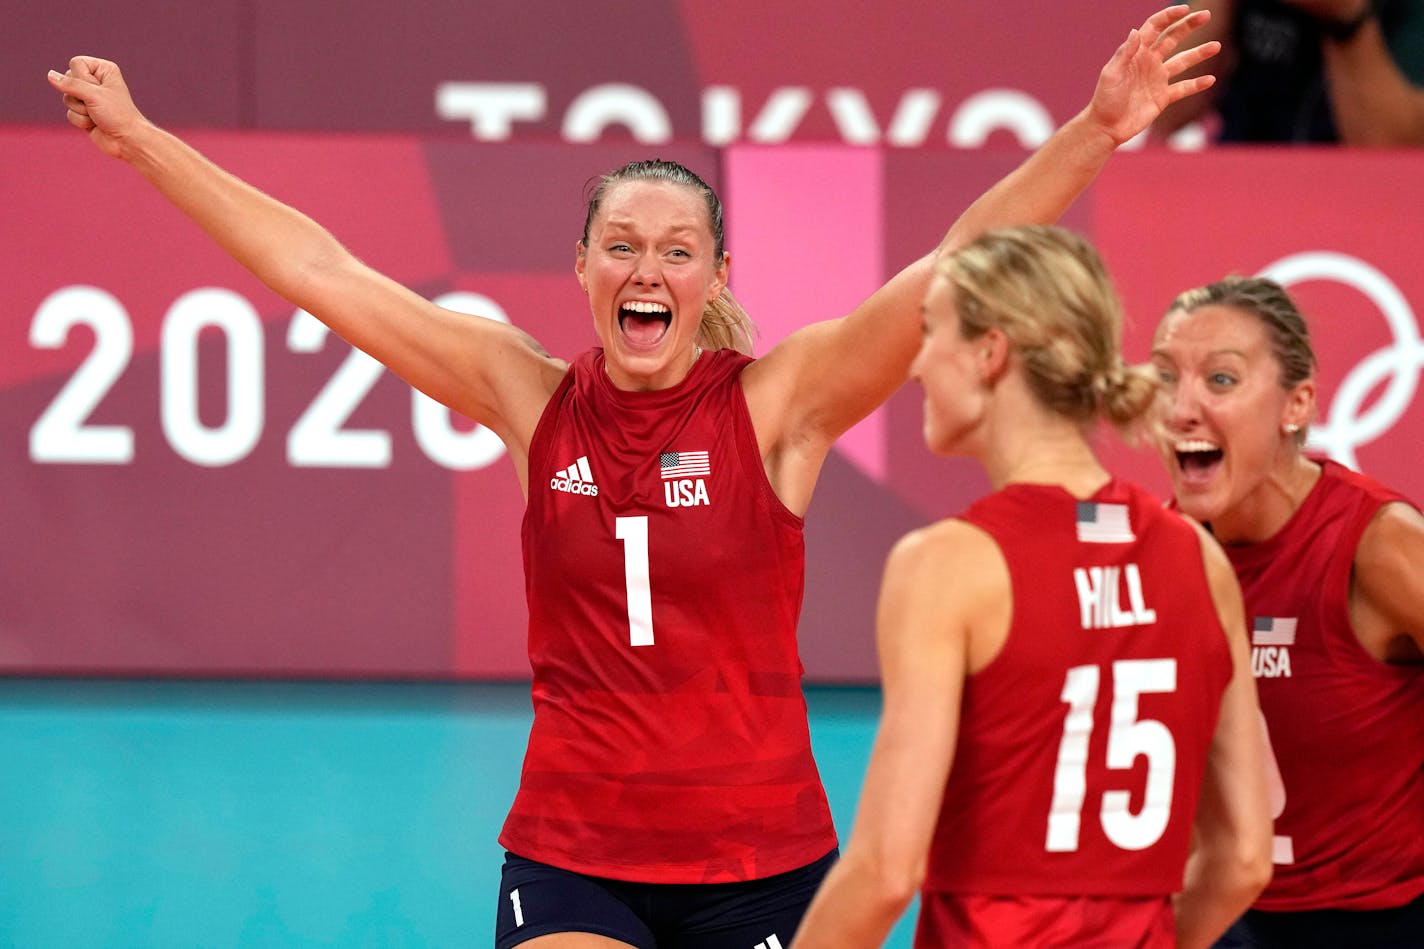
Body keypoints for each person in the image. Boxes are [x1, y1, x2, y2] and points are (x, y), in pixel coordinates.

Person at [47, 8, 1221, 946]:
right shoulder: (525, 394)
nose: (645, 268)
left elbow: (955, 262)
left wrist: (1093, 128)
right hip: (569, 853)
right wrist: (142, 138)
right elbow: (320, 269)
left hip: (762, 864)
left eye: (675, 250)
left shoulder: (778, 402)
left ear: (712, 275)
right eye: (621, 246)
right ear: (582, 266)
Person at [789, 226, 1273, 949]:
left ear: (990, 352)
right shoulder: (1198, 560)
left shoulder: (947, 564)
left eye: (932, 333)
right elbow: (1241, 857)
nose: (917, 365)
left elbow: (887, 870)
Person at [1152, 275, 1424, 947]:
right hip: (1225, 917)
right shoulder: (1153, 556)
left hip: (1381, 922)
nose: (1182, 408)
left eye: (1220, 380)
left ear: (1295, 404)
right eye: (1164, 378)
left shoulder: (1378, 543)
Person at [1150, 0, 1424, 145]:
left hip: (1360, 207)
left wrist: (1346, 18)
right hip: (1241, 181)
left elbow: (1394, 151)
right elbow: (1163, 111)